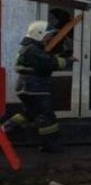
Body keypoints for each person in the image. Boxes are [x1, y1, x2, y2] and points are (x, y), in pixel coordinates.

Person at [1, 21, 71, 152]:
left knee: (29, 114)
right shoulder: (32, 49)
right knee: (47, 117)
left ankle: (3, 131)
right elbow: (49, 64)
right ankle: (52, 146)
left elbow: (43, 60)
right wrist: (67, 60)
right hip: (35, 88)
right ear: (39, 34)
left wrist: (58, 57)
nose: (49, 38)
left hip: (28, 87)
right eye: (48, 35)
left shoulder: (30, 48)